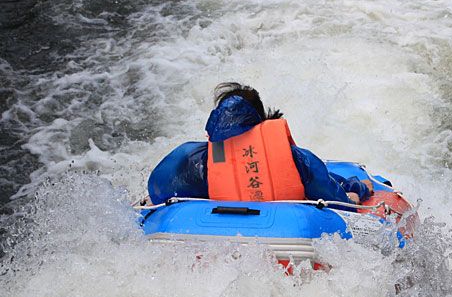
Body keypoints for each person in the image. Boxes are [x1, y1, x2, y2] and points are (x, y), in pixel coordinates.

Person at [148, 83, 373, 207]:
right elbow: (331, 194)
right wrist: (358, 190)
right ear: (261, 119)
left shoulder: (192, 157)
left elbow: (158, 191)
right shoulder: (297, 158)